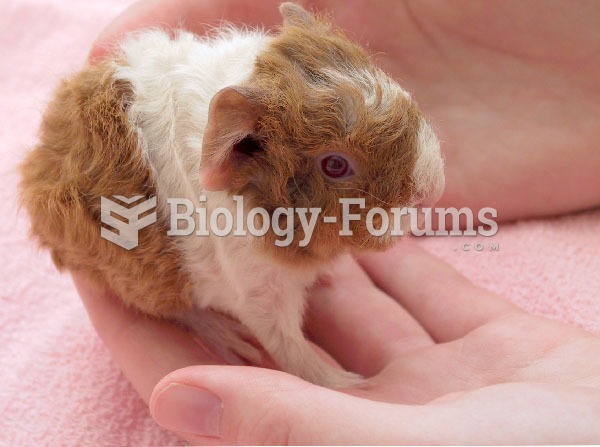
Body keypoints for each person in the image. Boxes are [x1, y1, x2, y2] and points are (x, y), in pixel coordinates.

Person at [77, 0, 600, 443]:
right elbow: (258, 295)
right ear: (242, 147)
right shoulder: (226, 196)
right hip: (151, 240)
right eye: (335, 165)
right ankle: (188, 310)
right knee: (171, 276)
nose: (427, 190)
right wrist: (316, 370)